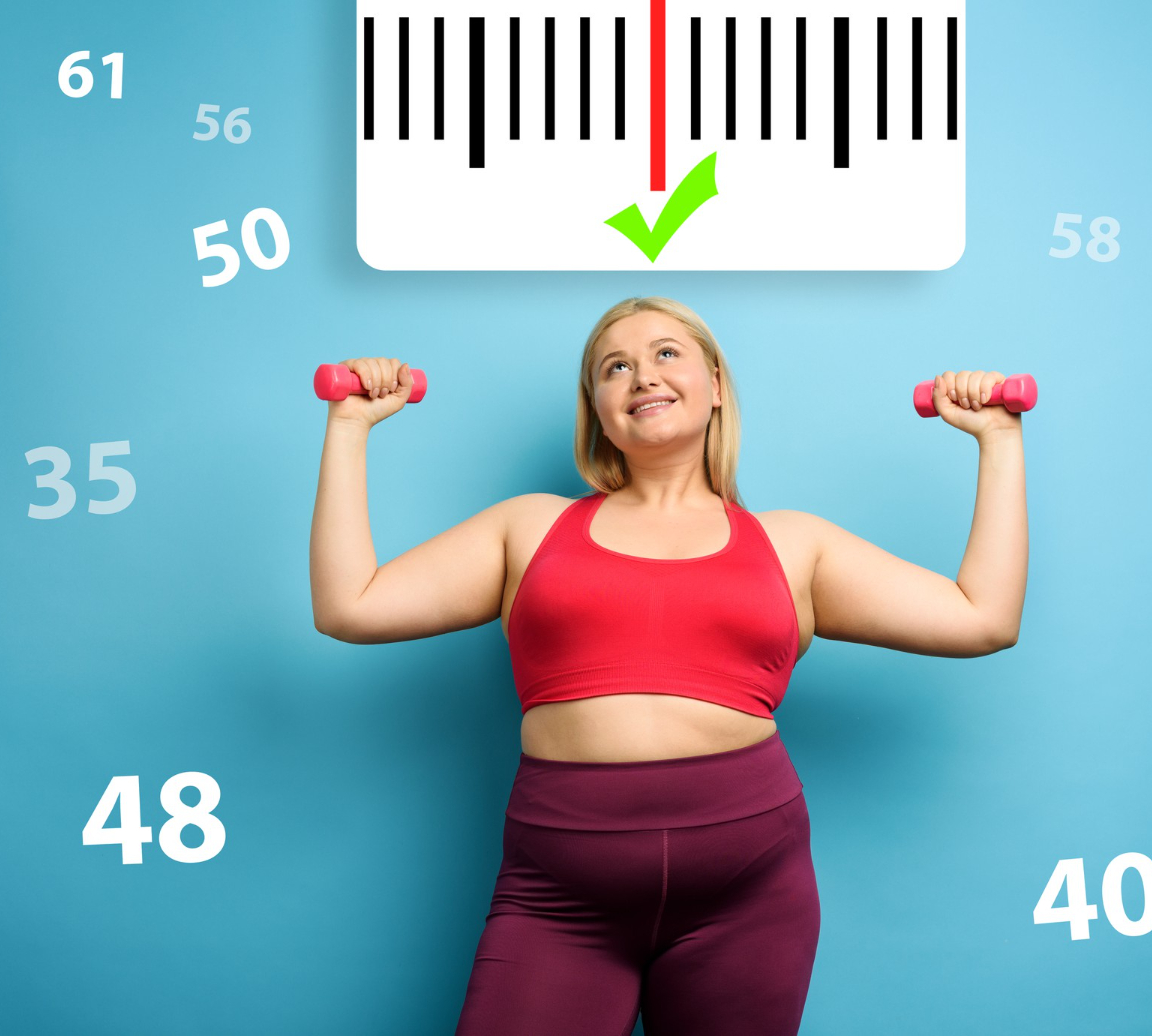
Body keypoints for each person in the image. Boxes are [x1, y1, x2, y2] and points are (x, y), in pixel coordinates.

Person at [308, 296, 1028, 1035]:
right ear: (598, 409)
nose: (641, 375)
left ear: (716, 384)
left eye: (665, 353)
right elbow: (350, 606)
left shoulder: (793, 546)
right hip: (560, 898)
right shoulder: (528, 527)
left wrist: (999, 441)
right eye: (613, 367)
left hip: (748, 896)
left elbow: (983, 618)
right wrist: (349, 427)